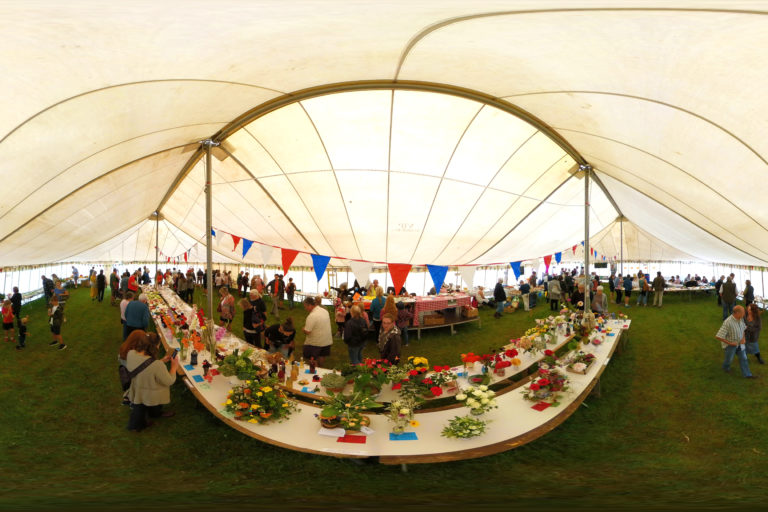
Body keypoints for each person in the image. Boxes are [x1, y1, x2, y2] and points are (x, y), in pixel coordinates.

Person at [125, 332, 179, 431]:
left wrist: (161, 361)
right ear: (154, 347)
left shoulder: (131, 353)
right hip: (151, 392)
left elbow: (145, 367)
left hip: (137, 386)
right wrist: (174, 367)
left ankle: (152, 415)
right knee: (139, 409)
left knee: (139, 406)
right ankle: (137, 426)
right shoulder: (157, 365)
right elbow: (169, 381)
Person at [716, 305, 755, 379]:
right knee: (729, 359)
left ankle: (747, 375)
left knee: (744, 358)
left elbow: (743, 328)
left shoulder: (741, 318)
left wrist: (743, 338)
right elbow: (719, 336)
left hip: (740, 343)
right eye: (743, 312)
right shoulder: (728, 322)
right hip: (730, 345)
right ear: (737, 313)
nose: (744, 314)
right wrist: (731, 343)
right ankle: (726, 368)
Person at [302, 297, 333, 366]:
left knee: (313, 359)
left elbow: (307, 331)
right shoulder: (324, 311)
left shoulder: (312, 316)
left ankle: (314, 371)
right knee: (322, 355)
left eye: (305, 307)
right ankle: (320, 368)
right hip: (326, 340)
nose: (305, 309)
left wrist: (303, 329)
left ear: (309, 305)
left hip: (315, 343)